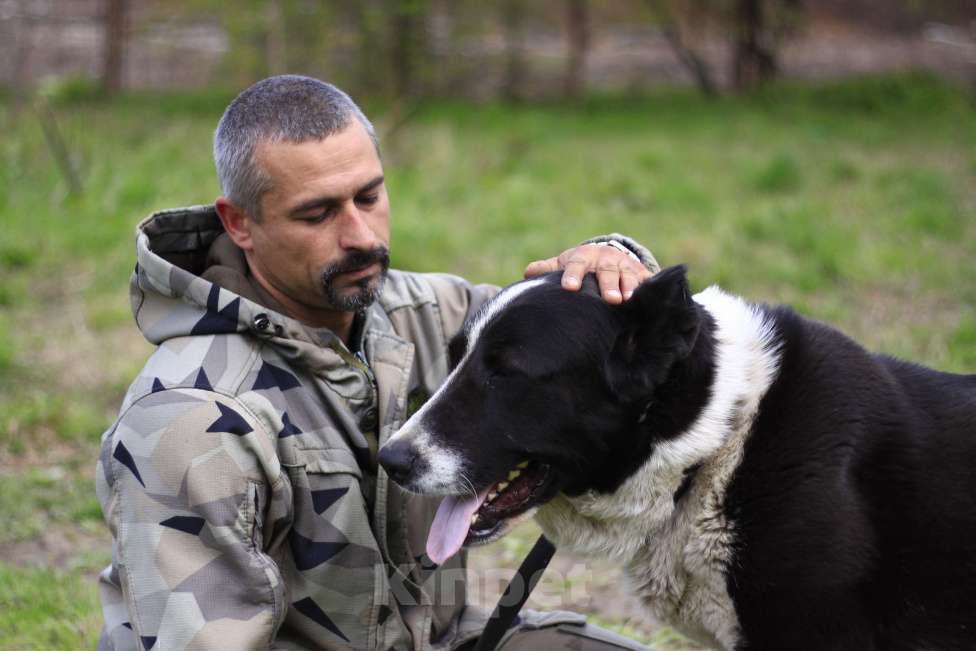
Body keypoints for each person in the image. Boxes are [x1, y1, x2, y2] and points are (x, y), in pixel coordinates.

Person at [95, 75, 659, 650]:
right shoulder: (189, 419)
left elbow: (579, 347)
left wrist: (612, 260)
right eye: (317, 214)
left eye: (368, 197)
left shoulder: (429, 313)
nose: (361, 237)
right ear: (240, 223)